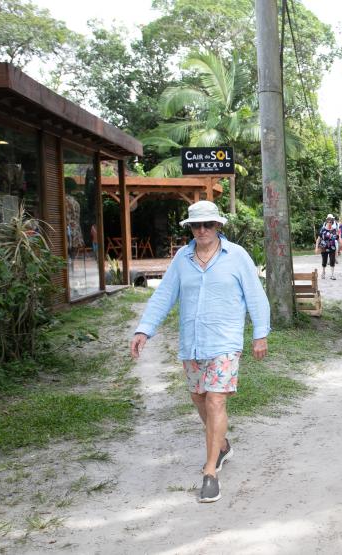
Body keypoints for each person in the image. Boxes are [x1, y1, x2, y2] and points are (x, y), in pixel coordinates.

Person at [129, 200, 270, 503]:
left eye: (208, 224)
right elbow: (164, 295)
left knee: (216, 400)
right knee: (200, 399)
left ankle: (210, 473)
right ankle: (222, 445)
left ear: (218, 226)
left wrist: (260, 334)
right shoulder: (182, 258)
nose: (202, 230)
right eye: (196, 225)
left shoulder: (237, 256)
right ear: (190, 228)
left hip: (225, 343)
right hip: (192, 343)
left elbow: (256, 296)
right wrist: (144, 330)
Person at [315, 214, 339, 280]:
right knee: (324, 260)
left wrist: (338, 248)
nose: (329, 223)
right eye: (328, 222)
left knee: (332, 260)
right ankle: (323, 272)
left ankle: (332, 275)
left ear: (332, 223)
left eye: (331, 222)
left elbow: (337, 239)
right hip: (324, 247)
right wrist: (316, 247)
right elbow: (318, 239)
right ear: (326, 222)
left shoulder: (334, 230)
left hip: (332, 247)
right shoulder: (322, 230)